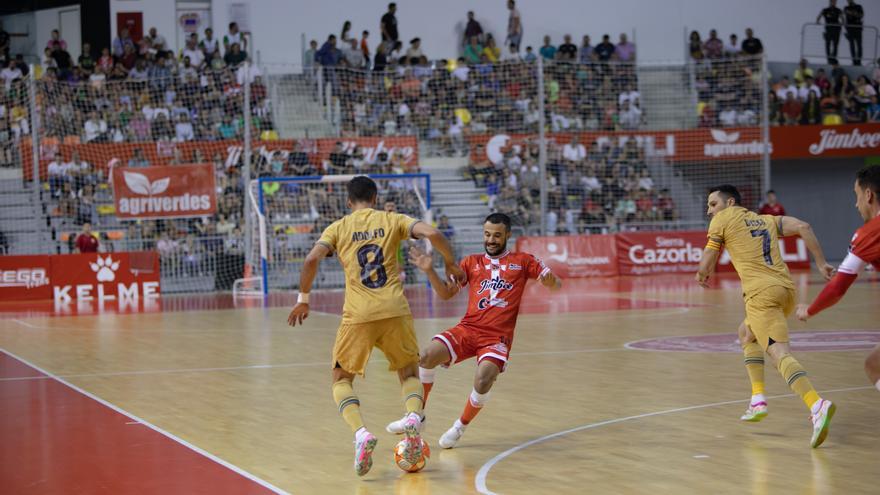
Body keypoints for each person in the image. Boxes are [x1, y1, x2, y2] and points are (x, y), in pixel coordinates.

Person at [286, 176, 463, 476]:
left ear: (348, 201)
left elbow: (311, 258)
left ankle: (361, 434)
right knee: (408, 372)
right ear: (376, 197)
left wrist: (304, 299)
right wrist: (449, 262)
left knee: (341, 378)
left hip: (358, 314)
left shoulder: (338, 228)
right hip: (395, 308)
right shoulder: (392, 219)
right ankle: (411, 416)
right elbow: (432, 232)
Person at [385, 213, 562, 448]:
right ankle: (417, 416)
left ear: (508, 235)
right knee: (426, 356)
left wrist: (551, 282)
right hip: (468, 329)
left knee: (484, 378)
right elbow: (446, 294)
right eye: (487, 234)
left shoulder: (524, 261)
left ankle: (459, 427)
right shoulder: (471, 262)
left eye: (497, 235)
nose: (491, 240)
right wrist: (429, 271)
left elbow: (556, 283)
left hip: (496, 337)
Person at [695, 185, 836, 448]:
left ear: (729, 203)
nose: (709, 210)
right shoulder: (765, 219)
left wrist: (701, 273)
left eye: (713, 204)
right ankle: (757, 399)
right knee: (745, 333)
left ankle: (816, 404)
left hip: (761, 295)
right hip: (786, 291)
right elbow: (804, 226)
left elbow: (707, 262)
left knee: (778, 354)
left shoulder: (721, 220)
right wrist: (820, 263)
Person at [797, 165, 880, 392]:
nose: (856, 204)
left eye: (856, 196)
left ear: (868, 195)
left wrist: (809, 310)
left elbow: (838, 288)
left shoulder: (870, 233)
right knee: (875, 363)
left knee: (874, 365)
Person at [817, 0, 844, 65]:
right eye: (832, 1)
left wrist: (841, 23)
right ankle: (829, 59)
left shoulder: (838, 10)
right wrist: (818, 21)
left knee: (835, 45)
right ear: (830, 2)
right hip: (828, 29)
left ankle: (833, 58)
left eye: (835, 2)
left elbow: (843, 19)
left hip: (836, 30)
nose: (834, 3)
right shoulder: (825, 10)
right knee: (828, 45)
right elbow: (819, 17)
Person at [844, 0, 864, 65]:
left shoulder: (859, 6)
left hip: (858, 28)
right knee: (852, 45)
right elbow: (848, 14)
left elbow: (861, 15)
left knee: (859, 45)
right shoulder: (846, 7)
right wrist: (855, 14)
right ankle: (854, 61)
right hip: (850, 29)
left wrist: (853, 13)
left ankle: (858, 61)